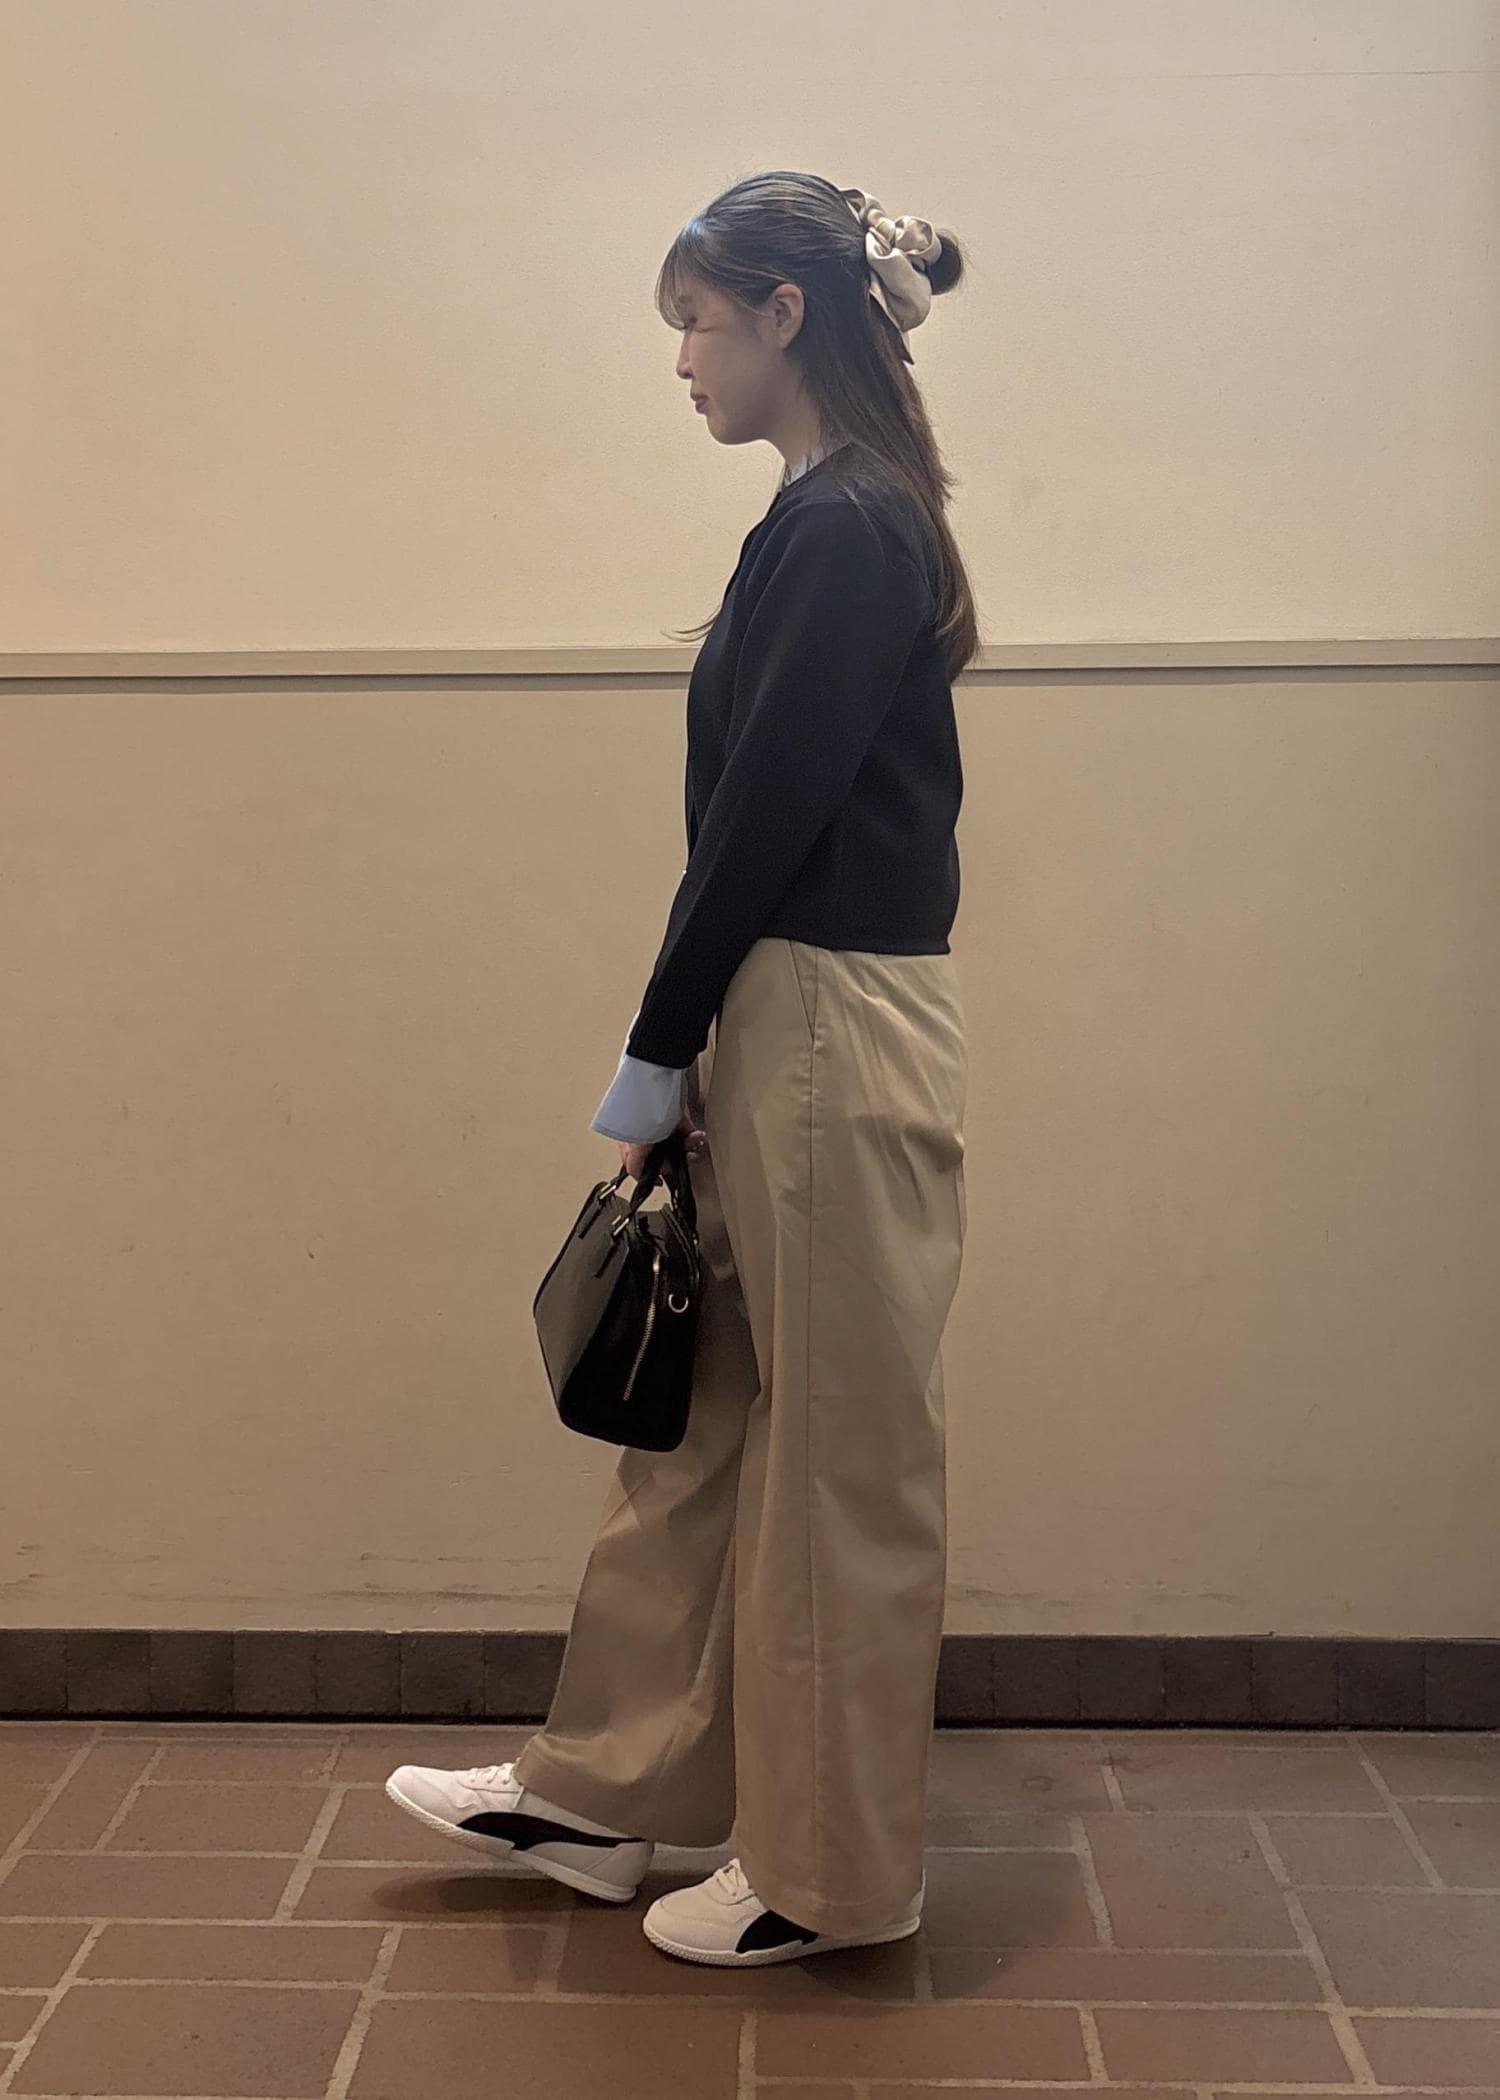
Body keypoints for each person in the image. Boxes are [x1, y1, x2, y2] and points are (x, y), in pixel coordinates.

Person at [386, 168, 979, 1969]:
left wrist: (660, 1043)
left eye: (700, 324)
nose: (684, 363)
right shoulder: (829, 514)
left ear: (788, 315)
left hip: (828, 1016)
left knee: (836, 1455)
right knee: (712, 1420)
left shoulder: (848, 525)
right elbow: (758, 817)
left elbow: (763, 818)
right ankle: (603, 1793)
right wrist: (706, 1038)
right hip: (794, 1014)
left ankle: (830, 1876)